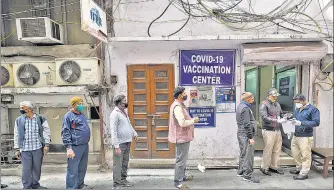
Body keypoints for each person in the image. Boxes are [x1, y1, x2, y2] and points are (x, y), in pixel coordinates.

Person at [13, 101, 51, 189]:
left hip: (37, 147)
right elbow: (16, 134)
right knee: (26, 169)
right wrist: (17, 149)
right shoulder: (19, 120)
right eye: (20, 108)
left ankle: (35, 185)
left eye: (23, 107)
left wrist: (46, 144)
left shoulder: (40, 118)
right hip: (25, 149)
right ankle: (26, 186)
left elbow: (46, 131)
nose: (21, 109)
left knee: (37, 168)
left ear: (29, 108)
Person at [168, 86, 199, 189]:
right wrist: (193, 121)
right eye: (184, 93)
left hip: (184, 137)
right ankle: (178, 182)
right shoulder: (177, 107)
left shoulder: (180, 105)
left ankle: (182, 176)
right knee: (180, 160)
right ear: (180, 95)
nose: (186, 94)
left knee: (183, 158)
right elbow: (182, 123)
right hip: (181, 137)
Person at [62, 97, 90, 189]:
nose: (81, 105)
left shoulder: (82, 115)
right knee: (73, 169)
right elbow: (65, 132)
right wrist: (69, 148)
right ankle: (71, 187)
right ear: (73, 105)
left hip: (85, 145)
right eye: (79, 103)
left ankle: (79, 185)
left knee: (82, 168)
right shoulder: (68, 116)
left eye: (82, 103)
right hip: (75, 146)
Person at [289, 94, 320, 180]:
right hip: (296, 135)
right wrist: (290, 119)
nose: (296, 104)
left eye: (298, 102)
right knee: (295, 153)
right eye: (295, 102)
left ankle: (304, 173)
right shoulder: (298, 108)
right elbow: (296, 118)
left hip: (305, 136)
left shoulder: (313, 110)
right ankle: (299, 168)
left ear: (303, 100)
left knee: (305, 155)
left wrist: (301, 123)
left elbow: (316, 122)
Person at [110, 95, 138, 189]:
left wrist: (134, 133)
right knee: (118, 163)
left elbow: (129, 124)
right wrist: (116, 146)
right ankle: (116, 183)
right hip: (120, 143)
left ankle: (123, 179)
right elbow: (113, 130)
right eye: (124, 101)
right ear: (118, 103)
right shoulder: (115, 114)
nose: (126, 103)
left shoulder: (124, 112)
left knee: (125, 162)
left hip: (127, 141)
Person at [259, 88, 286, 176]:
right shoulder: (264, 104)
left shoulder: (277, 104)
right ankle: (264, 167)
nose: (275, 98)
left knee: (277, 149)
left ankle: (273, 166)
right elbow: (264, 117)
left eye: (276, 96)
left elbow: (281, 114)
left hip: (277, 130)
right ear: (269, 95)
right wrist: (276, 121)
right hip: (268, 130)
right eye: (273, 96)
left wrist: (286, 117)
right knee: (268, 149)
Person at [236, 92, 260, 183]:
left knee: (243, 153)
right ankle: (247, 175)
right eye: (252, 98)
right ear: (248, 99)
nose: (253, 99)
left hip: (241, 133)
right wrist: (250, 137)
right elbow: (247, 124)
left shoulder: (240, 106)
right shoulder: (246, 108)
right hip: (246, 134)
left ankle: (241, 171)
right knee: (248, 155)